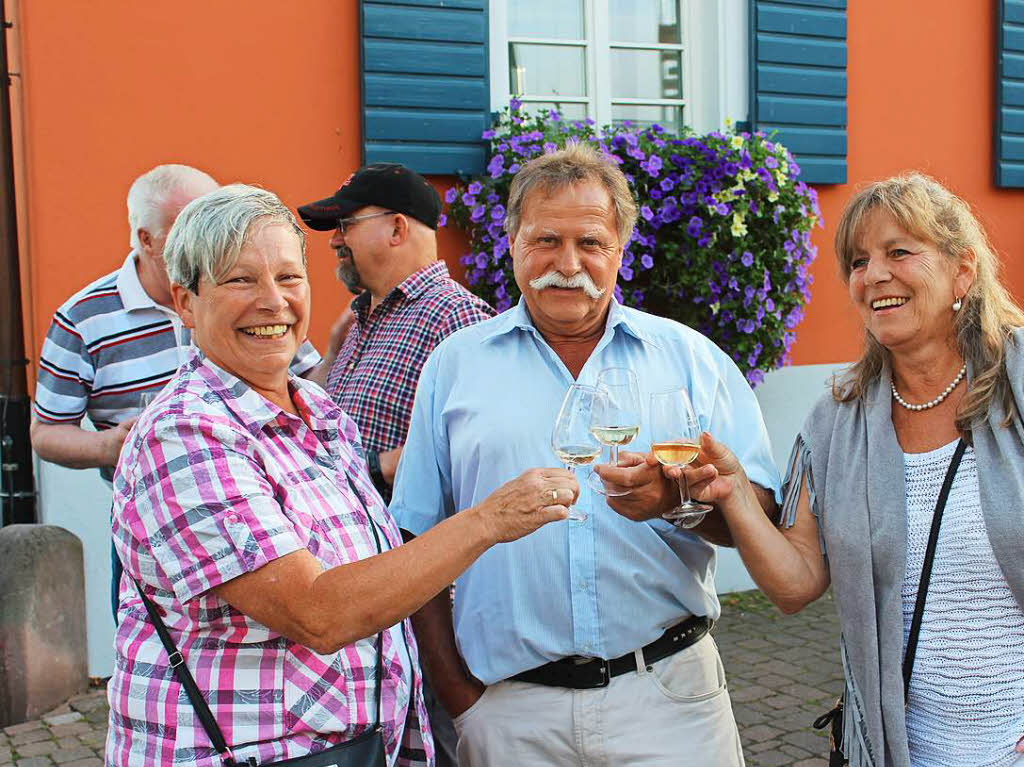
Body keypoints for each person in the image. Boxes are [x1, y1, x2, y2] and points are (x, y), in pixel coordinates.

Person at [106, 184, 576, 766]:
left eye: (288, 277)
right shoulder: (183, 434)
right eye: (239, 280)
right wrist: (488, 521)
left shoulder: (317, 410)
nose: (273, 302)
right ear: (185, 301)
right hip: (242, 752)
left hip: (350, 748)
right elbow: (318, 613)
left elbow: (370, 574)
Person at [391, 143, 781, 766]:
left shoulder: (689, 360)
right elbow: (415, 536)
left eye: (590, 244)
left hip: (669, 701)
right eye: (546, 240)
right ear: (513, 240)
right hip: (512, 712)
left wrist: (675, 501)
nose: (567, 264)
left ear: (620, 249)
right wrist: (458, 694)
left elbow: (758, 512)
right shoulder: (455, 366)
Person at [680, 174, 1024, 766]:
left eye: (899, 252)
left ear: (962, 271)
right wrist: (734, 493)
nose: (874, 275)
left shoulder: (1018, 383)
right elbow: (796, 583)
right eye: (859, 262)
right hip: (896, 750)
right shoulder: (837, 421)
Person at [30, 164, 322, 618]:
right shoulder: (83, 317)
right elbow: (46, 431)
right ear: (146, 239)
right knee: (170, 655)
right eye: (188, 224)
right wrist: (110, 445)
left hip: (275, 508)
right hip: (156, 526)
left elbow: (307, 386)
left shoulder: (258, 302)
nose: (209, 235)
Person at [298, 163, 494, 505]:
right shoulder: (363, 317)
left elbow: (485, 445)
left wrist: (377, 468)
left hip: (407, 548)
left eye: (346, 225)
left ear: (397, 229)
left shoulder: (457, 316)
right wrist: (330, 358)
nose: (334, 241)